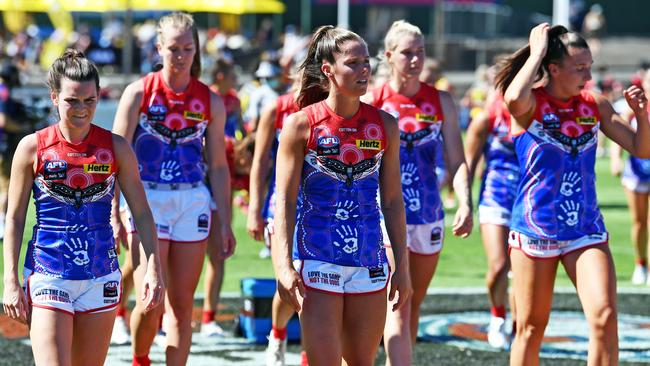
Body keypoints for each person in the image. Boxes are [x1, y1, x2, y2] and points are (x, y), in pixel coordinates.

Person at [495, 23, 650, 365]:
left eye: (589, 67)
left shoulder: (594, 104)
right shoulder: (531, 104)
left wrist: (642, 115)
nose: (587, 75)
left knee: (605, 317)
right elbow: (511, 97)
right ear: (553, 69)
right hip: (536, 231)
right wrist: (536, 52)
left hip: (585, 230)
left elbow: (641, 148)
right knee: (531, 328)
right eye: (580, 68)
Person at [2, 49, 164, 366]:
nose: (81, 109)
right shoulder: (32, 147)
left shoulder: (117, 147)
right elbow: (15, 218)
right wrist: (10, 281)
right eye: (72, 100)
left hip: (100, 277)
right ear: (54, 97)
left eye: (89, 100)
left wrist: (154, 269)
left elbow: (143, 214)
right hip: (48, 273)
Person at [272, 25, 412, 365]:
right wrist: (283, 266)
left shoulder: (385, 126)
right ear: (328, 70)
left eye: (366, 61)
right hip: (317, 258)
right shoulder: (301, 125)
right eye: (353, 63)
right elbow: (285, 201)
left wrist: (402, 269)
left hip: (370, 262)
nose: (364, 69)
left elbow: (392, 201)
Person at [111, 12, 235, 366]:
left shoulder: (209, 100)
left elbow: (219, 165)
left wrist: (224, 220)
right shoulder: (138, 93)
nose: (180, 56)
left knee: (182, 304)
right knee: (151, 297)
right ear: (159, 48)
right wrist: (114, 213)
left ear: (197, 51)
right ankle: (140, 358)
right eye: (173, 49)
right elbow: (116, 158)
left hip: (192, 198)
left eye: (187, 48)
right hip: (145, 197)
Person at [363, 20, 473, 364]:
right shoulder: (373, 100)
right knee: (398, 302)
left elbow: (457, 160)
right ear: (389, 56)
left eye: (420, 52)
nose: (415, 60)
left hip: (428, 214)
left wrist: (465, 202)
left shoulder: (441, 101)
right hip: (383, 213)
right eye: (407, 53)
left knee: (412, 303)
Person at [247, 80, 300, 365]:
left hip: (323, 208)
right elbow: (260, 162)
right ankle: (278, 333)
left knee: (319, 287)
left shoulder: (334, 108)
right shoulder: (277, 108)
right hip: (280, 205)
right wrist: (254, 208)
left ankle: (308, 354)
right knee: (289, 280)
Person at [465, 78, 517, 349]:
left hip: (530, 203)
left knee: (521, 271)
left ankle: (519, 324)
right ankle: (498, 317)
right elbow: (469, 165)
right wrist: (465, 204)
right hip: (494, 198)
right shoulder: (488, 118)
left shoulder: (539, 114)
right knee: (499, 266)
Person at [200, 57, 243, 337]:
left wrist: (237, 145)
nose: (235, 80)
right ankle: (127, 314)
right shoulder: (204, 97)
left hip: (220, 178)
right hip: (196, 180)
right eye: (231, 75)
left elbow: (239, 131)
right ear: (219, 75)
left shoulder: (234, 101)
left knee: (219, 252)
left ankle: (208, 318)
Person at [610, 69, 650, 286]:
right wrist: (616, 158)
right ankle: (640, 263)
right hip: (635, 173)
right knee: (639, 222)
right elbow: (619, 133)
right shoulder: (634, 109)